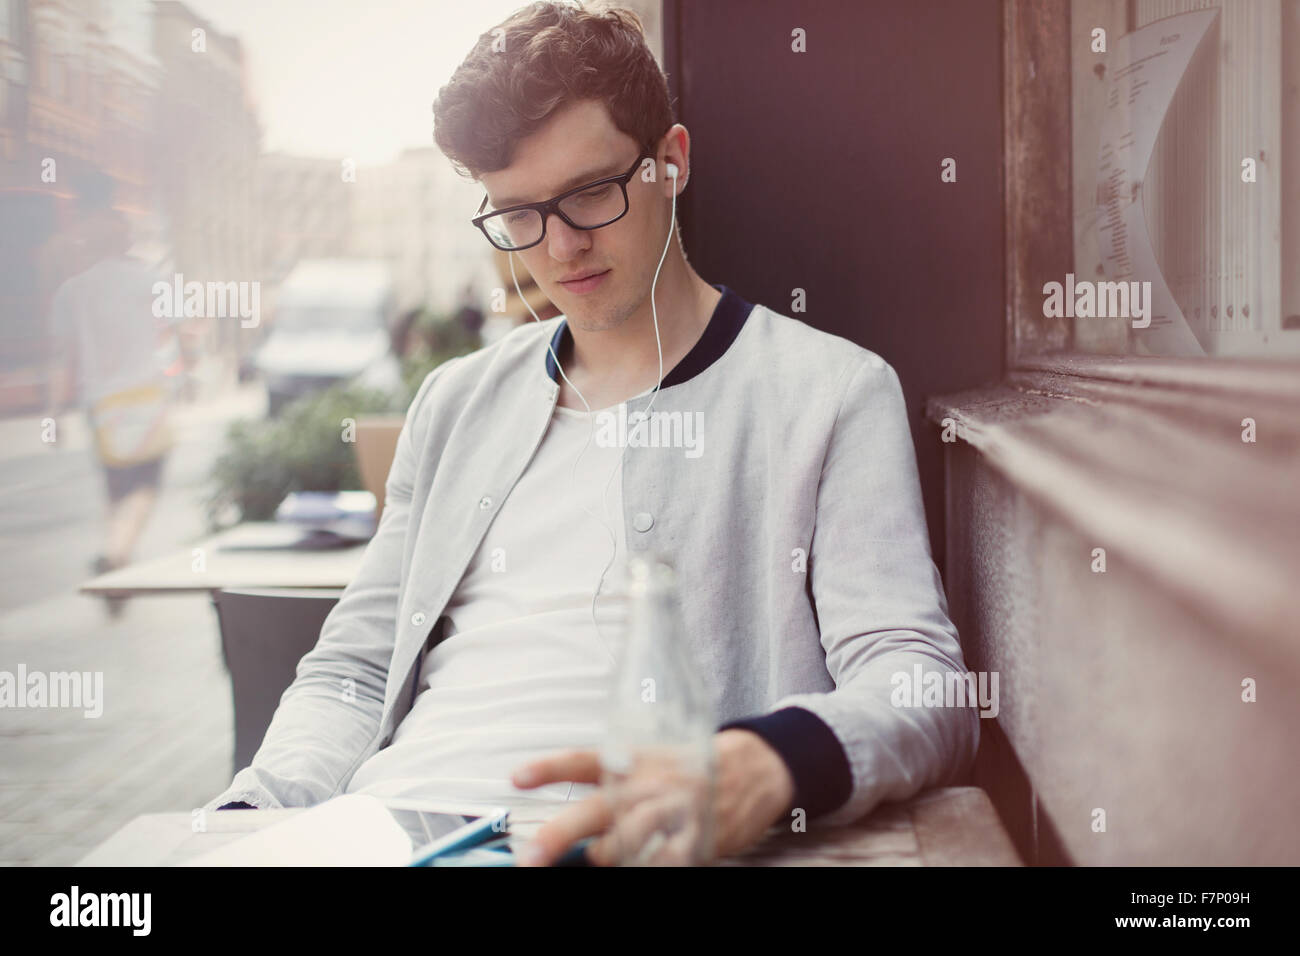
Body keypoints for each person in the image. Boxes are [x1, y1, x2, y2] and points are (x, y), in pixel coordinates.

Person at [207, 1, 978, 866]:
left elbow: (924, 689)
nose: (560, 247)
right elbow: (352, 672)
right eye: (519, 214)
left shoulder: (830, 393)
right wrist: (254, 812)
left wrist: (774, 761)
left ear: (671, 163)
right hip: (401, 828)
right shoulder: (454, 403)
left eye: (589, 194)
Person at [45, 171, 178, 598]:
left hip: (100, 403)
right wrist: (185, 372)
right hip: (145, 395)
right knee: (146, 484)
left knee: (115, 485)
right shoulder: (148, 280)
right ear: (126, 241)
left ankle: (114, 552)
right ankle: (118, 553)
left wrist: (53, 413)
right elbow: (175, 331)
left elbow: (62, 358)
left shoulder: (72, 291)